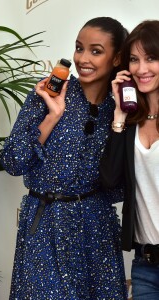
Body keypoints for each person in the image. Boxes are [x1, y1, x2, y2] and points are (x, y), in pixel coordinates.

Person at [0, 17, 128, 299]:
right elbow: (12, 161)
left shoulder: (121, 105)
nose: (83, 59)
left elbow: (118, 185)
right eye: (79, 48)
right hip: (46, 224)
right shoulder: (50, 91)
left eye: (96, 51)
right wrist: (52, 116)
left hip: (96, 228)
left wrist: (121, 116)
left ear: (117, 57)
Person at [100, 20, 159, 300]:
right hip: (145, 264)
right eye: (134, 59)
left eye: (151, 58)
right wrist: (119, 115)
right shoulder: (132, 122)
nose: (141, 69)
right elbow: (110, 180)